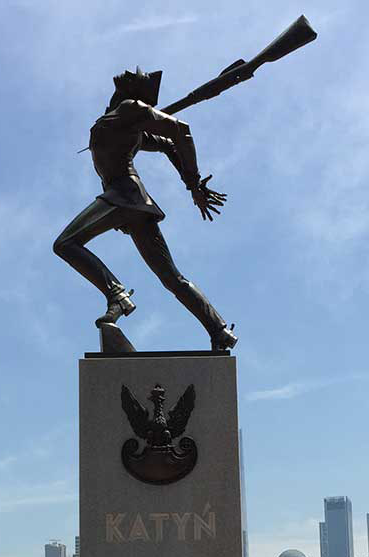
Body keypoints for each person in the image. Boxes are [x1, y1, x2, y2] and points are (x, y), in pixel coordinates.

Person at [52, 68, 237, 351]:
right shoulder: (123, 118)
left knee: (66, 244)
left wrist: (193, 184)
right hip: (131, 201)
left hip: (123, 195)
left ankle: (116, 295)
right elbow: (167, 143)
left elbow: (180, 132)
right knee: (171, 277)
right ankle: (219, 329)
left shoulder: (129, 109)